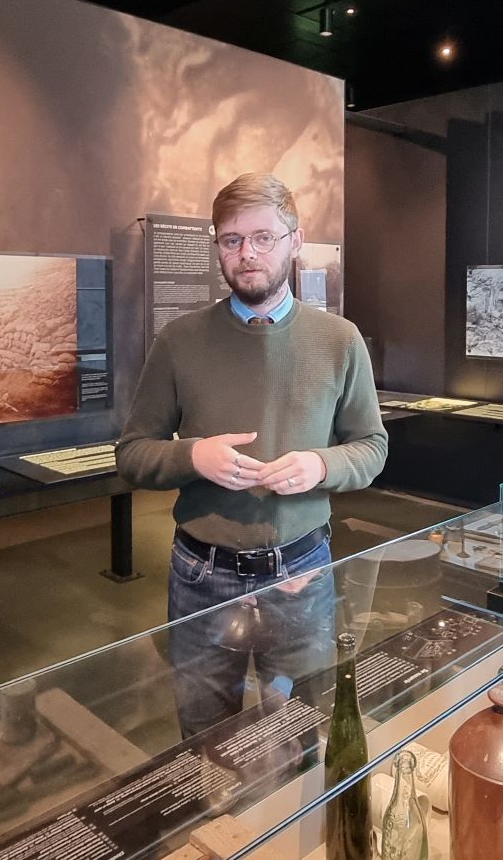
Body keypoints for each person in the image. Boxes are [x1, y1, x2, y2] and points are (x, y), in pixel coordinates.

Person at [117, 173, 388, 739]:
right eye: (231, 239)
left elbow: (371, 446)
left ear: (294, 240)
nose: (247, 254)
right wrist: (194, 457)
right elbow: (133, 454)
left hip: (303, 572)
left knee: (305, 734)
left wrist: (321, 465)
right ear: (217, 246)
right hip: (202, 576)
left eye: (263, 237)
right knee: (202, 740)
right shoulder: (179, 341)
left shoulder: (340, 340)